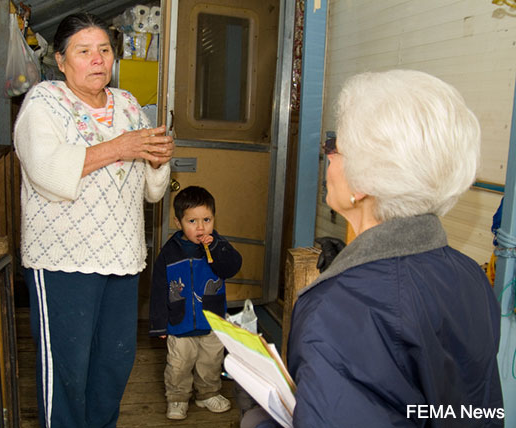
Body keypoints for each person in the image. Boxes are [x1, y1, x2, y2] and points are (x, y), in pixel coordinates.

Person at [242, 69, 504, 427]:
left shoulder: (340, 309)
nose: (329, 158)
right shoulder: (468, 274)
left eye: (336, 146)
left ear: (364, 182)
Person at [13, 12, 174, 428]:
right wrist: (122, 147)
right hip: (63, 259)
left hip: (122, 257)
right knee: (66, 369)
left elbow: (152, 190)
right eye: (84, 52)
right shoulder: (45, 102)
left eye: (104, 50)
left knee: (113, 364)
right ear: (61, 61)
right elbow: (46, 172)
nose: (97, 59)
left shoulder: (128, 104)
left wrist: (157, 160)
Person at [149, 185, 243, 420]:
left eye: (207, 219)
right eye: (192, 221)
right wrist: (160, 324)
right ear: (178, 222)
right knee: (179, 364)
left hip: (211, 319)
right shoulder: (169, 253)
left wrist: (215, 248)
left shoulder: (218, 246)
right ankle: (178, 398)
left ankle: (207, 393)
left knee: (210, 361)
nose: (201, 227)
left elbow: (232, 267)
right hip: (179, 320)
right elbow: (159, 290)